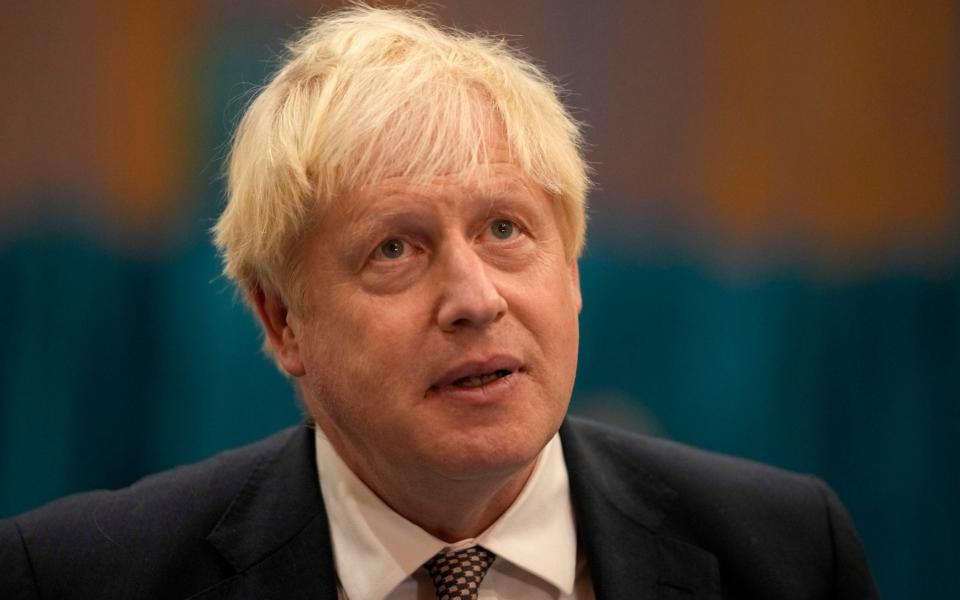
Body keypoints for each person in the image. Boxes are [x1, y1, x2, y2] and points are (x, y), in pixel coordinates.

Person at [0, 6, 878, 599]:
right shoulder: (79, 576)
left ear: (571, 270)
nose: (473, 299)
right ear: (282, 321)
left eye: (505, 229)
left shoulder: (789, 554)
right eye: (395, 249)